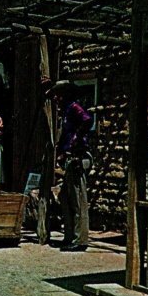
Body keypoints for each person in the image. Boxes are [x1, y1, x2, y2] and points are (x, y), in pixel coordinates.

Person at [46, 79, 93, 252]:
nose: (56, 98)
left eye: (58, 94)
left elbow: (87, 120)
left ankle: (80, 239)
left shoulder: (74, 107)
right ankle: (69, 236)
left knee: (77, 198)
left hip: (78, 157)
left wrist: (76, 139)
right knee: (65, 197)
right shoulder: (66, 111)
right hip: (69, 157)